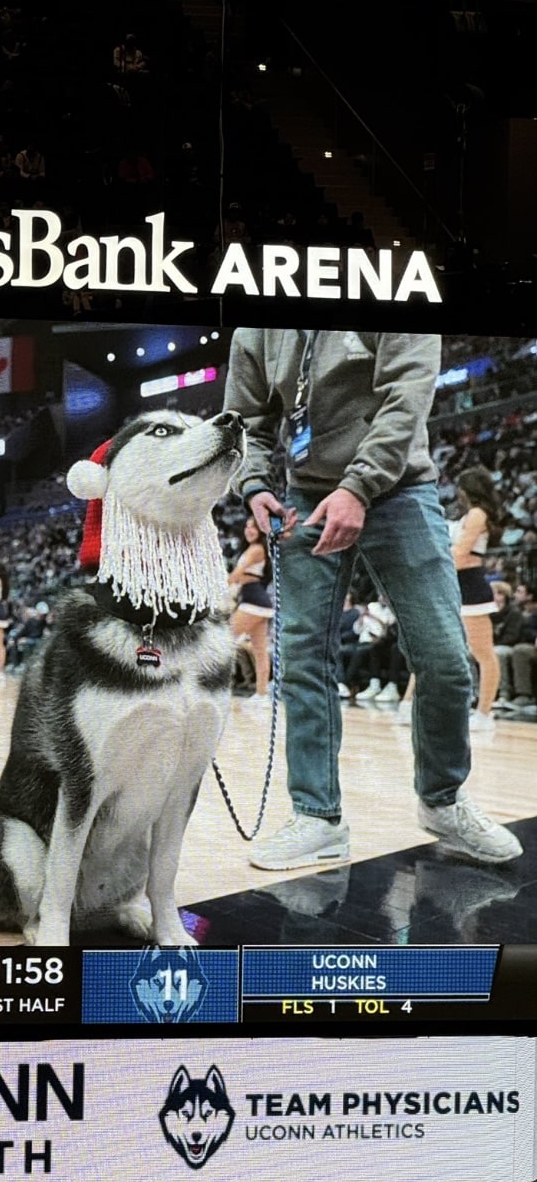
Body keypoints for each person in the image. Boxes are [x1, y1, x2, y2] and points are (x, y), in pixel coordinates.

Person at [224, 329, 522, 867]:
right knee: (304, 663)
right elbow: (247, 419)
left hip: (399, 489)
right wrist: (251, 484)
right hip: (304, 495)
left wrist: (358, 486)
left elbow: (407, 394)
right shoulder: (255, 327)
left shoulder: (390, 283)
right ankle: (316, 817)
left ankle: (443, 800)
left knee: (446, 659)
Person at [446, 467, 503, 732]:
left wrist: (440, 563)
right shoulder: (468, 515)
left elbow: (460, 552)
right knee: (456, 653)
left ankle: (484, 712)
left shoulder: (478, 514)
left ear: (467, 489)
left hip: (472, 588)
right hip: (458, 586)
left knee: (484, 654)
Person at [227, 519, 274, 704]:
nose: (249, 530)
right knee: (259, 650)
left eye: (254, 526)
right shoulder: (252, 548)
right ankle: (262, 695)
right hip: (255, 600)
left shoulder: (255, 549)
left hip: (253, 601)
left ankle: (215, 686)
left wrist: (219, 587)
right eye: (247, 526)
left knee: (224, 639)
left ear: (261, 530)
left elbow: (237, 574)